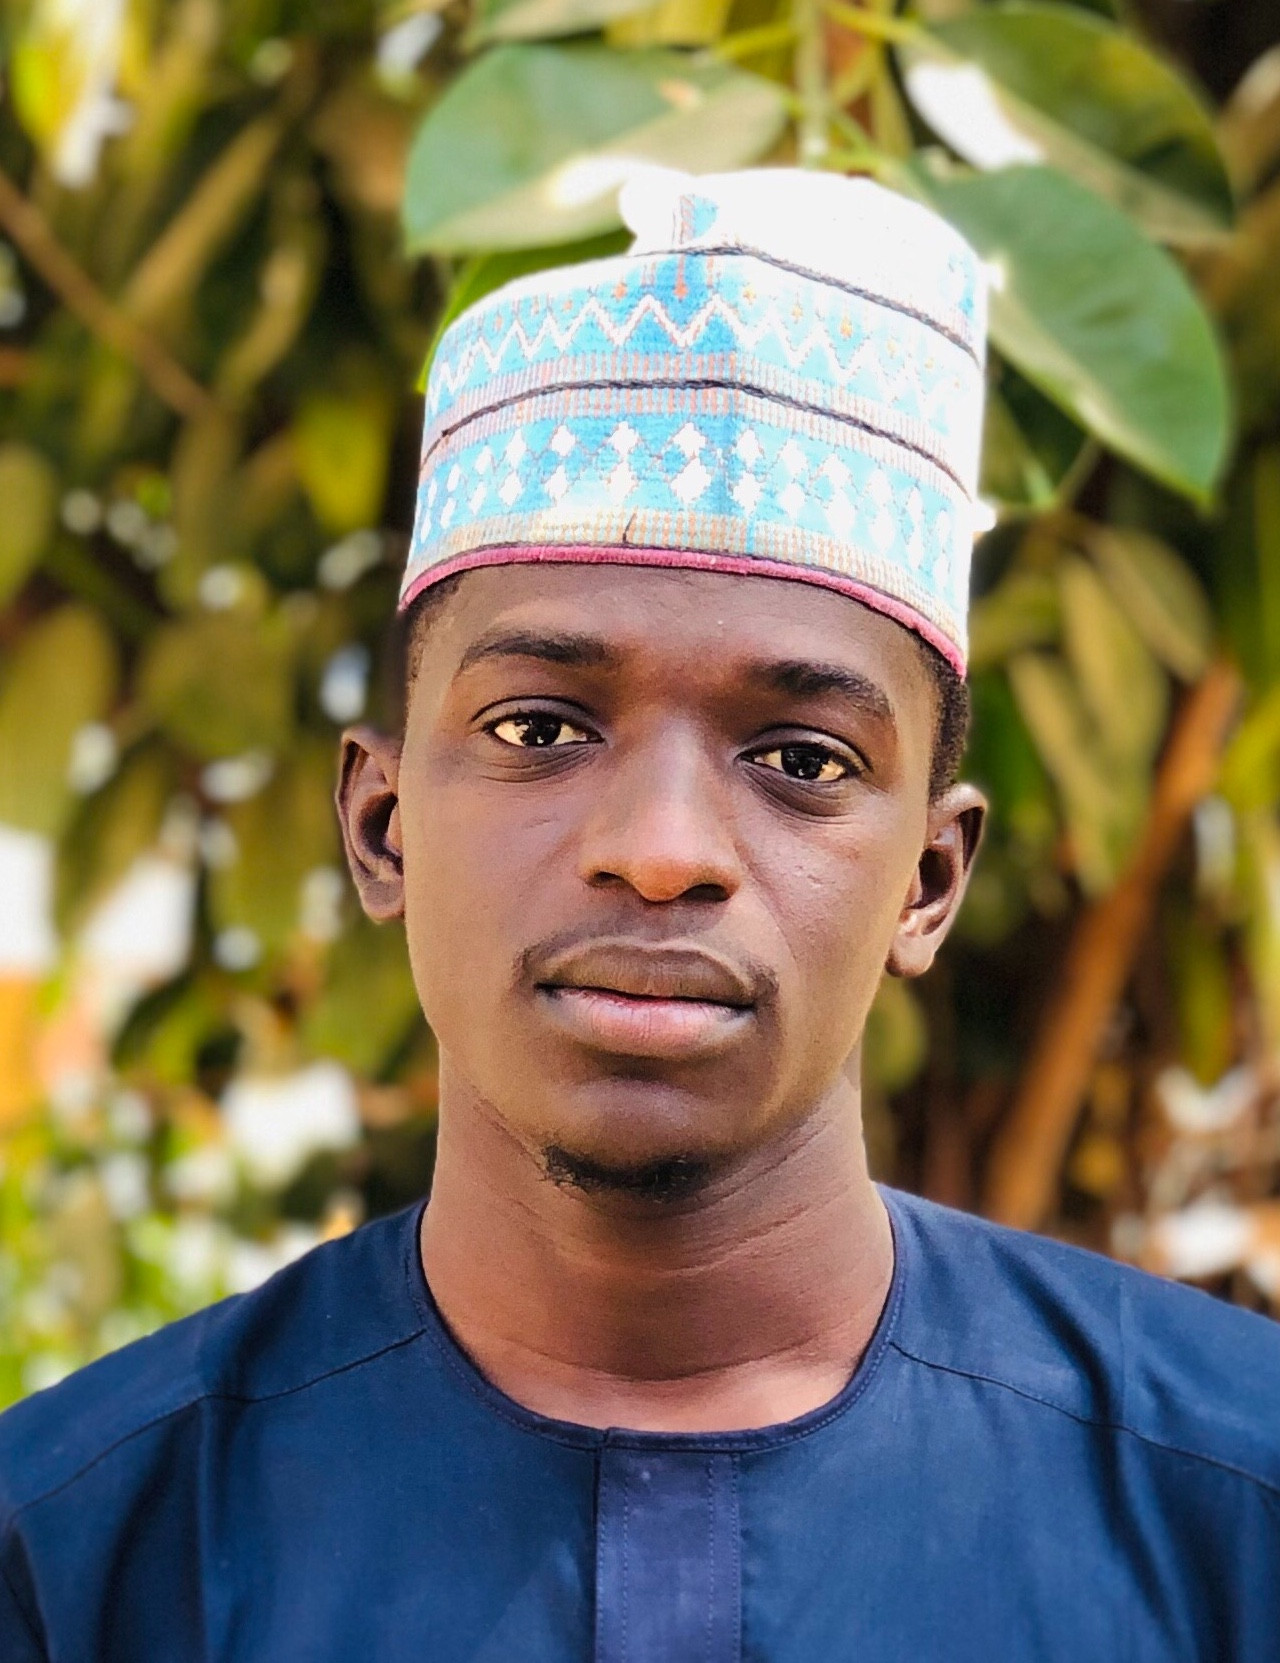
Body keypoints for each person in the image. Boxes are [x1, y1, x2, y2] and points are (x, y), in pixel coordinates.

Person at [1, 168, 1277, 1663]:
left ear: (929, 881)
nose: (663, 854)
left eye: (802, 760)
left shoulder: (1235, 1504)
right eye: (541, 730)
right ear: (382, 826)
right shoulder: (76, 1556)